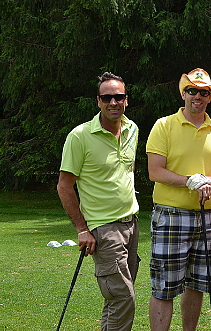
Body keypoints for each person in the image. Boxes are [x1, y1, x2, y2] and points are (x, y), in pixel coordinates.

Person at [146, 68, 211, 331]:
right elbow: (155, 171)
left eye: (204, 92)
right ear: (184, 93)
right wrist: (189, 181)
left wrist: (206, 181)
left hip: (209, 216)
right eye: (193, 91)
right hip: (171, 215)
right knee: (165, 287)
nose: (198, 96)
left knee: (198, 284)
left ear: (210, 97)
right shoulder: (164, 125)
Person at [57, 72, 139, 331]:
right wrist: (82, 229)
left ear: (126, 99)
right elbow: (64, 185)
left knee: (116, 300)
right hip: (103, 230)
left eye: (118, 97)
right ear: (98, 101)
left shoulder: (132, 129)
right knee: (123, 298)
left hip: (132, 225)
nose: (113, 102)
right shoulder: (79, 136)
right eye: (107, 97)